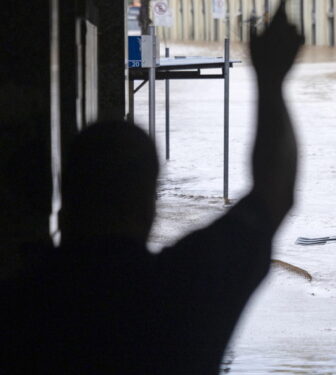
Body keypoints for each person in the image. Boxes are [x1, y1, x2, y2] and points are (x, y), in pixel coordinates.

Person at [1, 2, 303, 374]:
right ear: (149, 206)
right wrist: (271, 80)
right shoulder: (183, 290)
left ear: (64, 203)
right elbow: (275, 192)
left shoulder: (19, 302)